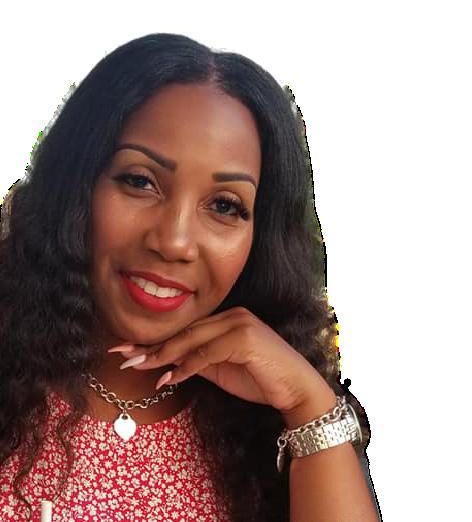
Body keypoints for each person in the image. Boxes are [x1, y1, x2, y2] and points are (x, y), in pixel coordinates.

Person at [0, 33, 382, 521]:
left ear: (260, 239)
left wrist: (308, 407)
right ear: (76, 187)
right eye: (140, 181)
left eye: (224, 206)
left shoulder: (273, 425)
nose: (175, 241)